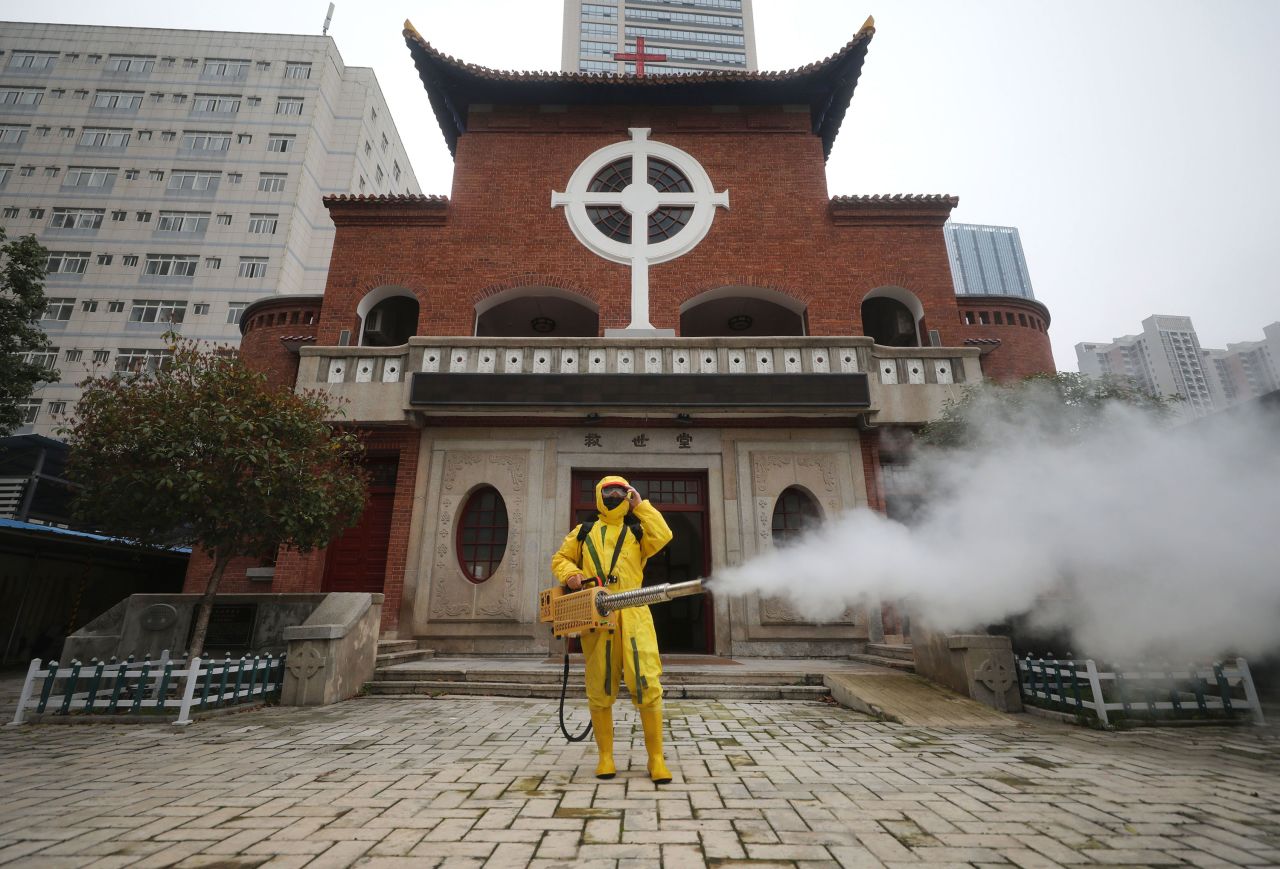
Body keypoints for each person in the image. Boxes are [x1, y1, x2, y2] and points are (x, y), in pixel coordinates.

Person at [551, 475, 674, 782]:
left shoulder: (637, 530)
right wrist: (571, 574)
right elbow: (560, 558)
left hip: (634, 614)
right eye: (609, 491)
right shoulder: (584, 531)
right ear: (598, 495)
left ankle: (656, 759)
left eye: (621, 491)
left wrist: (641, 505)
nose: (615, 496)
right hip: (598, 617)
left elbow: (664, 535)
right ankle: (605, 757)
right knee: (600, 686)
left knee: (647, 682)